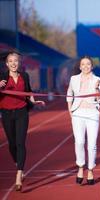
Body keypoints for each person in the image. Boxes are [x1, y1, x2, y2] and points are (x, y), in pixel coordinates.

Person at [0, 51, 45, 191]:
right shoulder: (1, 77)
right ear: (7, 64)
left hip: (21, 112)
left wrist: (34, 101)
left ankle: (19, 175)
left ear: (19, 63)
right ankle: (18, 164)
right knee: (12, 144)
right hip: (6, 114)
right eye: (11, 61)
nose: (14, 63)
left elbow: (28, 92)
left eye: (16, 61)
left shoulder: (24, 76)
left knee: (20, 143)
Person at [66, 56, 100, 185]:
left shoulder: (97, 79)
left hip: (92, 114)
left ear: (92, 66)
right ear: (80, 66)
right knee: (80, 142)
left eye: (88, 64)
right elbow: (69, 94)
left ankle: (91, 170)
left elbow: (99, 100)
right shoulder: (73, 79)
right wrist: (70, 111)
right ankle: (81, 167)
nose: (86, 66)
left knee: (92, 145)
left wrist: (97, 89)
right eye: (83, 64)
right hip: (78, 114)